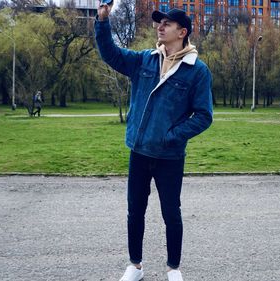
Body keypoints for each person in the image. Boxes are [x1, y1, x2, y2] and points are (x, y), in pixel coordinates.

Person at [95, 4, 213, 281]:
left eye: (167, 24)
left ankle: (173, 268)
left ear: (182, 32)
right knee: (135, 211)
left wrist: (170, 137)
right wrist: (102, 20)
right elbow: (110, 54)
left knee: (171, 213)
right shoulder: (144, 60)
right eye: (159, 23)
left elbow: (204, 116)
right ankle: (135, 266)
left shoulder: (196, 71)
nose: (159, 27)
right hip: (139, 151)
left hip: (170, 156)